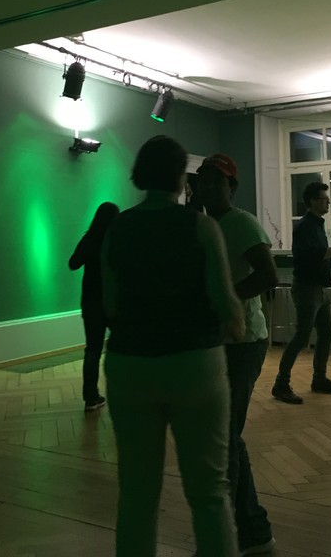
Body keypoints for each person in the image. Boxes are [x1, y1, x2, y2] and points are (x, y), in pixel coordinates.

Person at [101, 136, 245, 557]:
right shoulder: (201, 227)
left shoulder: (117, 228)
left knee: (136, 491)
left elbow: (110, 305)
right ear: (183, 179)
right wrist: (235, 326)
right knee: (209, 492)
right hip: (194, 365)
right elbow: (226, 305)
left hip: (129, 364)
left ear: (140, 175)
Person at [196, 153, 278, 557]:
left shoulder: (242, 223)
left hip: (244, 343)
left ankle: (236, 532)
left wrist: (225, 302)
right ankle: (250, 529)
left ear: (232, 186)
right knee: (226, 436)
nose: (209, 187)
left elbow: (267, 275)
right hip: (217, 342)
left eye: (218, 180)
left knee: (224, 436)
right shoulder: (202, 225)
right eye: (203, 180)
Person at [271, 182, 331, 404]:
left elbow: (325, 258)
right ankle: (281, 384)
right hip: (306, 288)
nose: (328, 201)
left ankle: (319, 379)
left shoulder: (317, 225)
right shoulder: (305, 226)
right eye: (323, 198)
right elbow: (313, 255)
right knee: (302, 336)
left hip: (319, 288)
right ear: (312, 201)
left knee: (326, 333)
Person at [69, 201, 119, 412]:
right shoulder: (117, 240)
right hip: (114, 302)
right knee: (119, 348)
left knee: (92, 350)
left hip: (90, 301)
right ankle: (121, 392)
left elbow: (73, 263)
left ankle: (90, 397)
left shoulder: (89, 239)